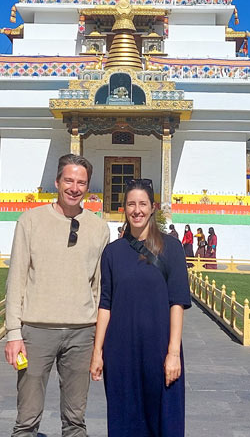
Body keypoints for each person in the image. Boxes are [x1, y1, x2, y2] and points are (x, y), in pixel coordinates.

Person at [5, 154, 110, 437]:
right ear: (57, 182)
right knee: (27, 419)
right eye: (69, 180)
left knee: (75, 421)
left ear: (88, 187)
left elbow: (99, 288)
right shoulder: (30, 220)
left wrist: (99, 342)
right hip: (37, 331)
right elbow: (17, 279)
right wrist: (14, 333)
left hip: (81, 333)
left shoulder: (99, 228)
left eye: (81, 182)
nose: (74, 188)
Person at [90, 178, 191, 436]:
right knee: (125, 418)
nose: (137, 210)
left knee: (163, 419)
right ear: (124, 207)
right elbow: (106, 303)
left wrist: (173, 353)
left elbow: (177, 302)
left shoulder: (171, 248)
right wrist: (98, 351)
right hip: (120, 351)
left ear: (153, 207)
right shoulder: (113, 252)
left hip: (159, 349)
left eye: (143, 204)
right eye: (131, 204)